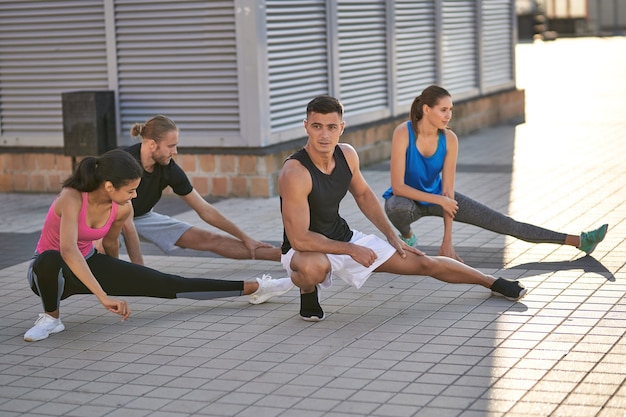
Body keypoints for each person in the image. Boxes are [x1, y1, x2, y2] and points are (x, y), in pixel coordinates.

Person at [278, 95, 527, 322]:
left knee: (424, 263)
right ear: (306, 126)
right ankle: (307, 291)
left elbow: (364, 194)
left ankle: (492, 282)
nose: (324, 135)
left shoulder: (347, 155)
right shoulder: (295, 172)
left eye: (331, 127)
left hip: (342, 238)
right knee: (314, 269)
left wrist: (390, 235)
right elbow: (300, 238)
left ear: (341, 128)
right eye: (316, 126)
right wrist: (351, 249)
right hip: (304, 251)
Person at [24, 149, 293, 342]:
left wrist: (132, 275)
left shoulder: (121, 207)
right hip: (48, 275)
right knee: (50, 259)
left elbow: (109, 244)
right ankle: (51, 319)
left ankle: (257, 286)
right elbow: (69, 250)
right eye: (130, 190)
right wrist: (103, 296)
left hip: (88, 262)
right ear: (108, 186)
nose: (135, 195)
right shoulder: (72, 197)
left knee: (168, 282)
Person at [383, 85, 608, 262]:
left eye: (451, 110)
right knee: (395, 206)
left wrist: (447, 241)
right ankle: (408, 235)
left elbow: (448, 190)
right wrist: (439, 199)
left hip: (440, 197)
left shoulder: (449, 139)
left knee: (505, 223)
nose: (448, 115)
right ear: (426, 109)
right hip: (408, 200)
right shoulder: (404, 133)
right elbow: (399, 186)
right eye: (443, 110)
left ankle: (579, 241)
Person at [121, 115, 281, 262]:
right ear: (151, 144)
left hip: (143, 217)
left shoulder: (169, 169)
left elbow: (205, 210)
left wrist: (245, 237)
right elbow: (116, 217)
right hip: (110, 217)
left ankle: (279, 255)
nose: (175, 152)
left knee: (209, 238)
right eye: (170, 146)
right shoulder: (122, 161)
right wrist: (141, 273)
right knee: (109, 244)